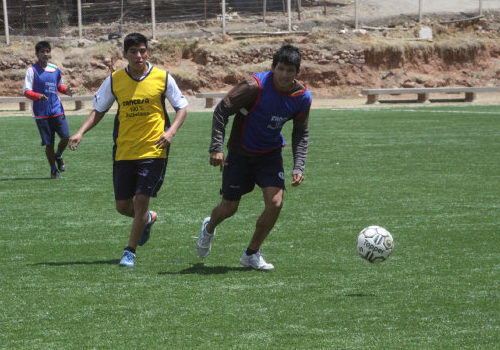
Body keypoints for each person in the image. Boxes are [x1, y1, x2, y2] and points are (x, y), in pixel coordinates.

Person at [68, 33, 188, 268]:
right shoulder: (114, 80)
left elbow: (181, 107)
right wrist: (81, 131)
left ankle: (129, 252)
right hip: (124, 150)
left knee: (142, 199)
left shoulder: (162, 77)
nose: (138, 56)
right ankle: (147, 220)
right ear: (125, 54)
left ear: (148, 53)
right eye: (133, 52)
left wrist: (171, 131)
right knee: (123, 206)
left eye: (142, 51)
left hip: (154, 150)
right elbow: (98, 110)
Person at [196, 44, 312, 270]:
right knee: (228, 208)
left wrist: (298, 166)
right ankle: (209, 228)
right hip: (240, 153)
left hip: (270, 154)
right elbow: (222, 111)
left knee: (275, 203)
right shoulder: (254, 86)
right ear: (273, 68)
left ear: (297, 72)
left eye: (290, 70)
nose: (285, 75)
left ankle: (251, 253)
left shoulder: (302, 97)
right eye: (281, 69)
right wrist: (216, 147)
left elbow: (301, 131)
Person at [23, 40, 73, 179]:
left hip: (57, 109)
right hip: (41, 113)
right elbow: (26, 91)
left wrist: (66, 91)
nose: (45, 54)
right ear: (37, 54)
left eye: (47, 51)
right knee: (49, 143)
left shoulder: (56, 70)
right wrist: (38, 96)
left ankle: (59, 155)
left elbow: (59, 86)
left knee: (65, 136)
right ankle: (53, 170)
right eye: (42, 52)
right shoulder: (32, 71)